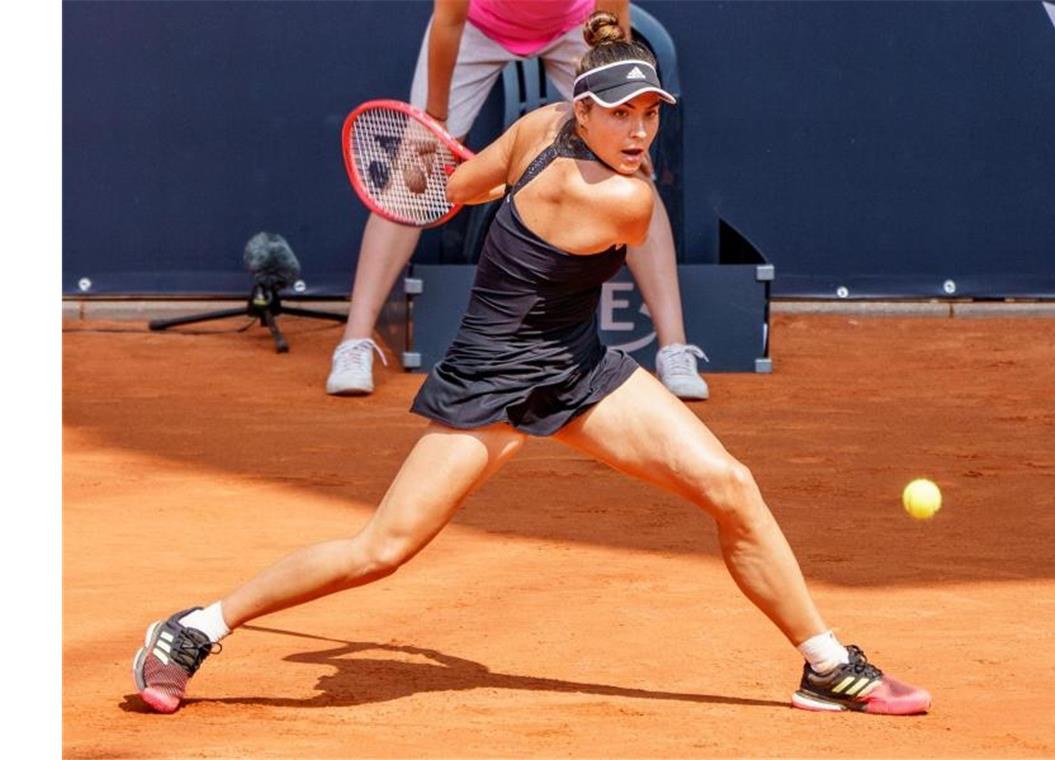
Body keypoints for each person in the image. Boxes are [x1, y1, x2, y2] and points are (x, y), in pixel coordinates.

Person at [133, 14, 931, 717]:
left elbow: (454, 190)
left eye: (650, 113)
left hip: (579, 368)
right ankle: (195, 626)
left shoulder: (539, 129)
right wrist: (455, 183)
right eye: (620, 113)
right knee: (382, 549)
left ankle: (827, 665)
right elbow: (485, 192)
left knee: (730, 485)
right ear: (580, 109)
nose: (639, 132)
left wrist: (428, 179)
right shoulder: (627, 201)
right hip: (493, 379)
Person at [326, 0, 710, 401]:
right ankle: (354, 341)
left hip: (573, 29)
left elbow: (615, 21)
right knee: (411, 175)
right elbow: (449, 21)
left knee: (633, 176)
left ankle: (673, 349)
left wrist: (627, 122)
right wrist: (434, 123)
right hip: (476, 29)